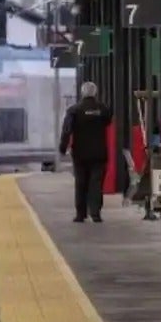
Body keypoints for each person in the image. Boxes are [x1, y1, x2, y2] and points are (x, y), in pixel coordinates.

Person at [59, 81, 113, 223]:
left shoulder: (74, 110)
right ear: (95, 93)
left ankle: (80, 214)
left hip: (80, 153)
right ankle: (95, 213)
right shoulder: (103, 109)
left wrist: (62, 148)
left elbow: (66, 131)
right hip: (99, 153)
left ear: (82, 93)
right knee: (96, 183)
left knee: (81, 182)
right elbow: (108, 121)